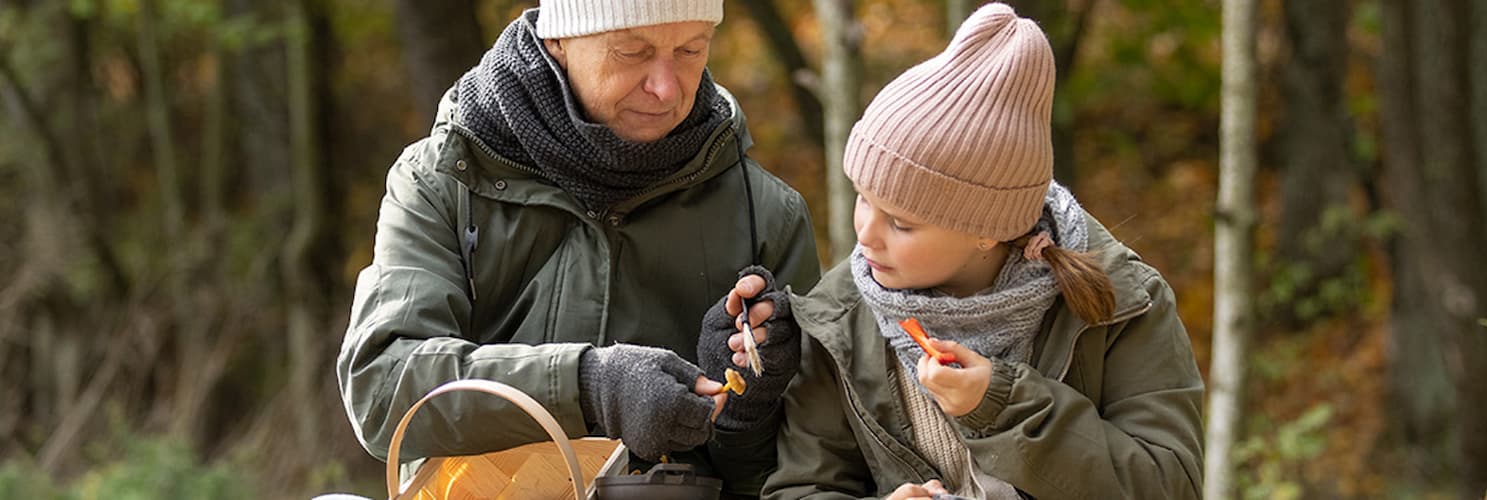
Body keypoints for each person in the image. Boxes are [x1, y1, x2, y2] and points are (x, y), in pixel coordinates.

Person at [707, 4, 1204, 498]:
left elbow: (1170, 485)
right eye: (864, 198)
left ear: (987, 230)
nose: (866, 236)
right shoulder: (840, 316)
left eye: (901, 222)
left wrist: (1002, 405)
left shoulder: (1121, 302)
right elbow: (801, 488)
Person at [335, 1, 821, 497]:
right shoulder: (444, 180)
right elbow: (382, 387)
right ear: (559, 41)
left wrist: (745, 411)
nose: (666, 86)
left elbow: (809, 474)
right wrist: (586, 386)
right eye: (633, 52)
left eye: (691, 50)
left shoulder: (766, 213)